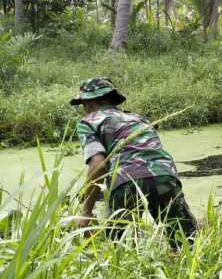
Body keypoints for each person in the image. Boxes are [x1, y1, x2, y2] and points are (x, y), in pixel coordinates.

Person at [71, 77, 196, 246]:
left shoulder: (89, 121)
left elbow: (98, 165)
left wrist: (86, 212)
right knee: (187, 244)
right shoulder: (138, 118)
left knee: (122, 251)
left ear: (91, 103)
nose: (84, 109)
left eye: (84, 104)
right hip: (164, 176)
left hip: (125, 182)